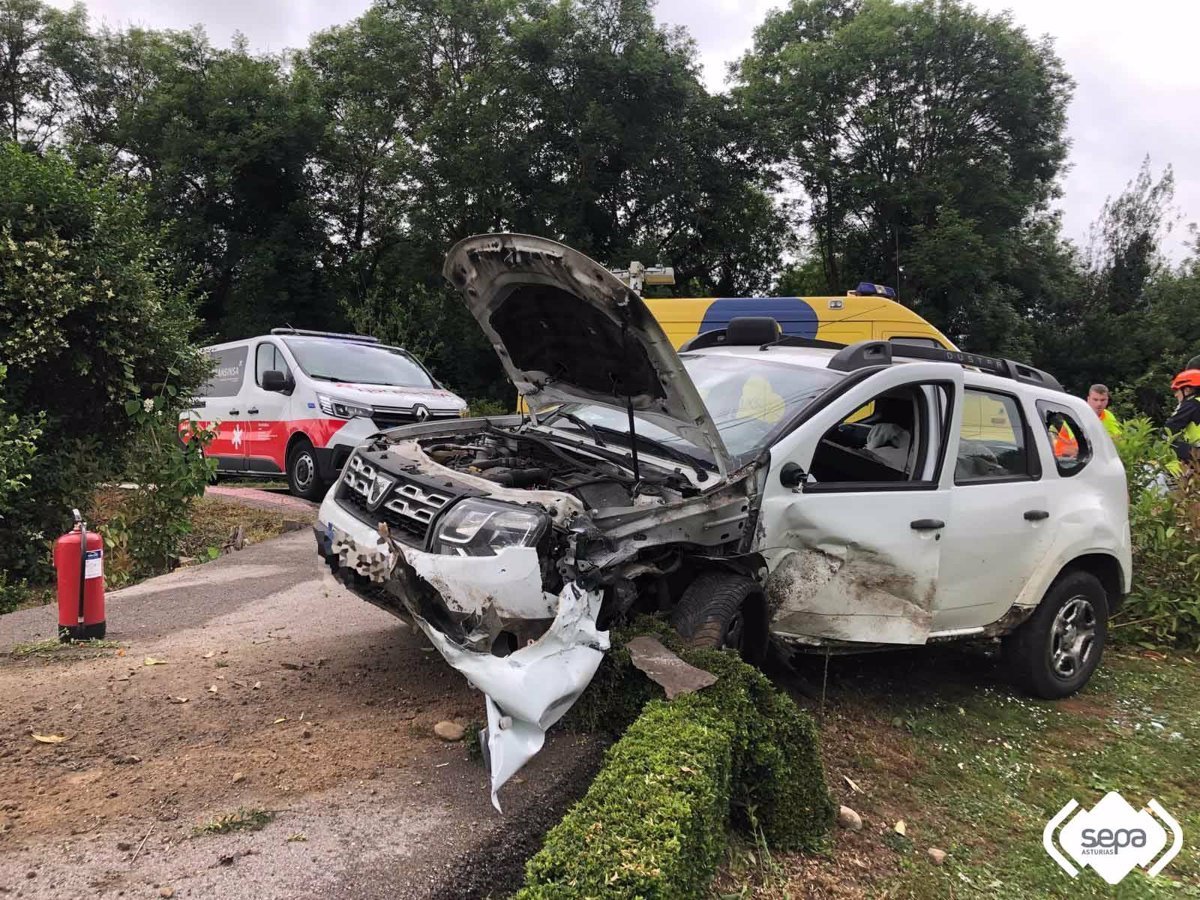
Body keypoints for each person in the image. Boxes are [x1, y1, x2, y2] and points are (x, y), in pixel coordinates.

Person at [1165, 369, 1200, 464]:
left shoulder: (1191, 404)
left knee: (1170, 443)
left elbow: (1170, 428)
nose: (1175, 395)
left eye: (1177, 391)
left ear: (1187, 390)